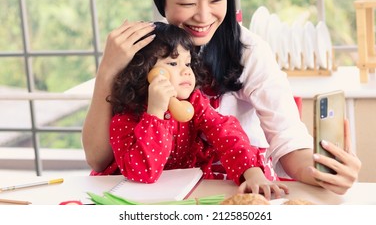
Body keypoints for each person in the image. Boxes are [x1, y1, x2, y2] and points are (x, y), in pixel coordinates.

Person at [82, 0, 361, 196]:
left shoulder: (249, 51)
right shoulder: (141, 50)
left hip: (225, 188)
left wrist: (320, 172)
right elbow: (98, 158)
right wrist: (107, 70)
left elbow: (286, 136)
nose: (203, 17)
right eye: (187, 3)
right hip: (144, 192)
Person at [103, 22, 288, 199]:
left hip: (186, 190)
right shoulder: (125, 118)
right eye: (173, 64)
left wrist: (252, 173)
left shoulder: (193, 101)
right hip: (139, 199)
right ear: (145, 73)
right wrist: (155, 113)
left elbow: (224, 131)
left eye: (188, 63)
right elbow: (143, 173)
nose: (186, 71)